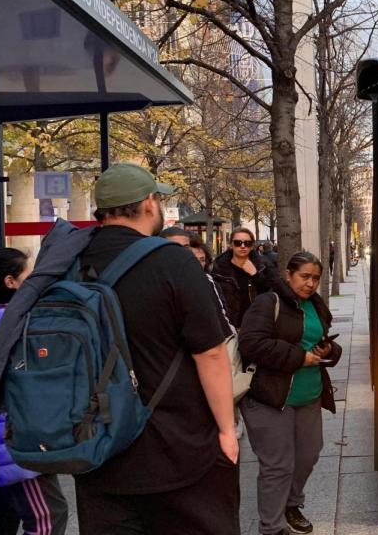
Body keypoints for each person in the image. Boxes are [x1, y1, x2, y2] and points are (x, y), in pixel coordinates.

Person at [72, 163, 239, 535]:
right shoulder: (171, 260)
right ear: (149, 203)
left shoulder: (70, 260)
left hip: (97, 450)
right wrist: (226, 430)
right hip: (178, 451)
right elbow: (210, 353)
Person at [239, 252, 339, 535]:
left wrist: (327, 350)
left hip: (309, 394)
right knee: (278, 464)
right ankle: (271, 527)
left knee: (308, 455)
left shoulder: (315, 304)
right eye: (304, 276)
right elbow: (252, 344)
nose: (310, 284)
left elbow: (319, 340)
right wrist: (299, 358)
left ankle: (291, 504)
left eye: (316, 278)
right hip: (270, 397)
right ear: (289, 275)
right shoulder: (268, 302)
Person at [0, 248, 69, 535]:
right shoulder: (10, 323)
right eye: (29, 276)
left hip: (8, 440)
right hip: (15, 444)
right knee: (47, 518)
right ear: (10, 282)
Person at [213, 228, 277, 329]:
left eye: (247, 243)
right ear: (231, 245)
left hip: (256, 323)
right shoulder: (219, 267)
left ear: (252, 246)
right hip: (229, 326)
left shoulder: (264, 265)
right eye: (238, 243)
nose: (243, 246)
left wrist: (255, 274)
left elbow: (270, 293)